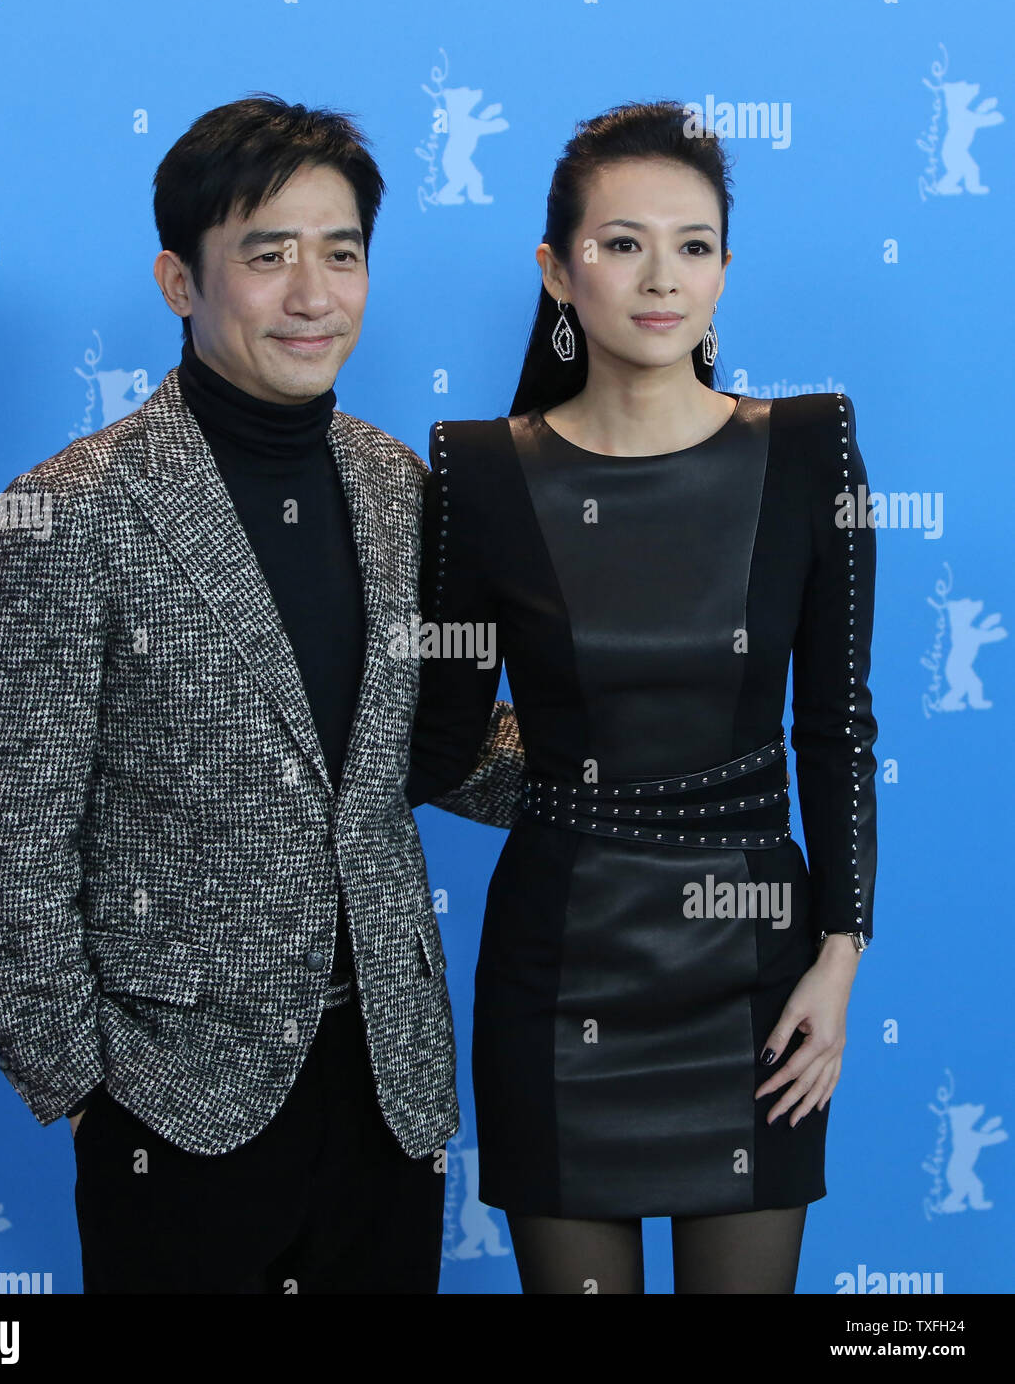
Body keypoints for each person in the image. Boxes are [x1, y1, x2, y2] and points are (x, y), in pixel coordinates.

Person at [0, 94, 522, 1295]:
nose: (313, 293)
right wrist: (85, 1086)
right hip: (176, 1099)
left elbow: (429, 748)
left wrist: (649, 750)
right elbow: (5, 825)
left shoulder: (401, 485)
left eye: (342, 252)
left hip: (386, 1080)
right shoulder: (72, 510)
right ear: (178, 279)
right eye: (268, 254)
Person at [406, 100, 878, 1294]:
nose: (660, 277)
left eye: (693, 244)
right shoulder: (477, 471)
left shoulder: (809, 449)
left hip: (759, 974)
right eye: (621, 244)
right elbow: (444, 743)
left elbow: (835, 721)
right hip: (560, 972)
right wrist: (597, 784)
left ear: (724, 266)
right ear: (556, 271)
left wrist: (838, 955)